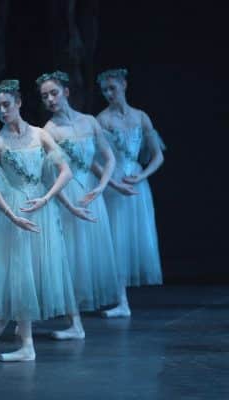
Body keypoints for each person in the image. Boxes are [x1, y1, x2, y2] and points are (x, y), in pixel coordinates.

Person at [0, 79, 78, 361]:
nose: (2, 111)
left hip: (39, 208)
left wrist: (46, 198)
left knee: (31, 273)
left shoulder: (40, 134)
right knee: (18, 272)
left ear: (19, 103)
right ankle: (23, 342)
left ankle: (1, 330)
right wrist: (13, 216)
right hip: (11, 211)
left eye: (6, 105)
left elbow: (65, 172)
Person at [36, 70, 120, 339]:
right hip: (67, 198)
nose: (50, 99)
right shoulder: (49, 131)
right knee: (67, 260)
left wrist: (101, 186)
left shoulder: (89, 122)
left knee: (86, 259)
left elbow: (108, 158)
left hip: (91, 196)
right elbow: (49, 177)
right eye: (44, 96)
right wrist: (68, 205)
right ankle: (75, 323)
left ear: (66, 92)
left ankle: (77, 323)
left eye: (54, 93)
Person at [95, 68, 165, 317]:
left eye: (112, 88)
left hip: (136, 182)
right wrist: (114, 182)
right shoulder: (102, 119)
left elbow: (157, 156)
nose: (109, 94)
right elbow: (98, 159)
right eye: (105, 90)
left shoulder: (141, 117)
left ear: (124, 85)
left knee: (132, 237)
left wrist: (142, 176)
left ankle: (123, 302)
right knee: (117, 239)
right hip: (115, 183)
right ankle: (121, 300)